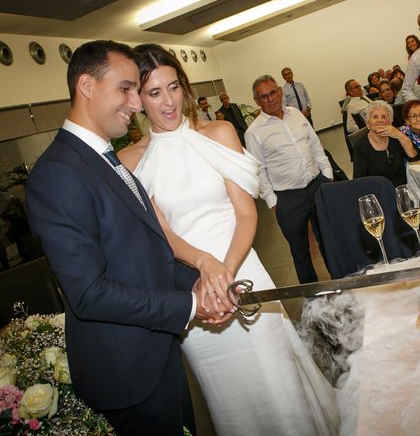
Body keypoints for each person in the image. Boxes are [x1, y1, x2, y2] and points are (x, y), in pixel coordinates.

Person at [119, 47, 338, 435]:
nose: (168, 101)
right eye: (154, 93)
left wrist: (225, 271)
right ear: (137, 98)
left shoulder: (219, 132)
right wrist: (207, 269)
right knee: (232, 399)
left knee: (278, 380)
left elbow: (246, 212)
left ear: (184, 87)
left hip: (242, 267)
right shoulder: (131, 161)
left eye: (173, 87)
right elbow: (163, 235)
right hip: (193, 289)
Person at [25, 40, 207, 436]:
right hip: (128, 372)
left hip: (155, 352)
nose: (137, 103)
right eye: (126, 88)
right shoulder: (58, 174)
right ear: (87, 86)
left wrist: (202, 287)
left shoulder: (105, 158)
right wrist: (189, 306)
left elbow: (144, 254)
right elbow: (88, 293)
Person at [245, 75, 333, 285]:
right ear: (257, 101)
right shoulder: (254, 132)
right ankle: (312, 296)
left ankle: (340, 280)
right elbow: (259, 171)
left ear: (280, 91)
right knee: (300, 251)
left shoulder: (296, 115)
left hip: (317, 186)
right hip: (288, 199)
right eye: (263, 96)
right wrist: (273, 202)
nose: (270, 99)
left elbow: (314, 145)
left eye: (273, 92)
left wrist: (327, 175)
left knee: (329, 240)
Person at [353, 101, 420, 187]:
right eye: (375, 117)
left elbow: (414, 157)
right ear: (367, 123)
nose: (380, 120)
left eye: (384, 117)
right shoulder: (361, 146)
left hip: (403, 189)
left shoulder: (396, 137)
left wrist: (400, 135)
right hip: (378, 192)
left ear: (390, 121)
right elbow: (358, 181)